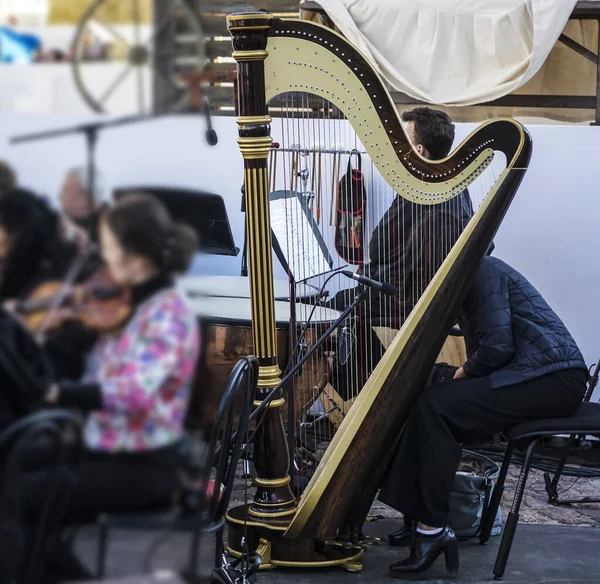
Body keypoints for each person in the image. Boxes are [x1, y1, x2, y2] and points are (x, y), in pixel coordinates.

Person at [21, 192, 200, 580]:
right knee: (13, 465)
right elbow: (102, 367)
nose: (102, 254)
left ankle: (49, 570)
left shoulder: (168, 313)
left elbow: (134, 392)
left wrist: (58, 393)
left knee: (18, 495)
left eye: (108, 244)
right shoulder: (132, 304)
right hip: (104, 444)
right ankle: (43, 565)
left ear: (133, 256)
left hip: (144, 465)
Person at [379, 255, 588, 579]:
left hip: (553, 379)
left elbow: (497, 348)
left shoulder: (481, 269)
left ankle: (432, 531)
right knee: (427, 396)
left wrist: (460, 374)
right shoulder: (472, 274)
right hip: (529, 374)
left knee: (436, 407)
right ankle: (417, 519)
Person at [59, 166, 107, 243]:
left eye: (66, 190)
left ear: (88, 195)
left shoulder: (113, 227)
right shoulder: (58, 226)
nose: (60, 196)